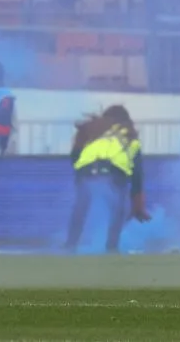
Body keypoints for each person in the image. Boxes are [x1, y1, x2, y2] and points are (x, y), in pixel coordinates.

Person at [65, 104, 151, 253]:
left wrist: (82, 174)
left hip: (86, 170)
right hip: (114, 171)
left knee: (81, 207)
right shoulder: (130, 138)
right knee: (117, 209)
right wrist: (137, 204)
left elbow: (75, 156)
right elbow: (137, 174)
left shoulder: (93, 131)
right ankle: (111, 247)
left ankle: (70, 245)